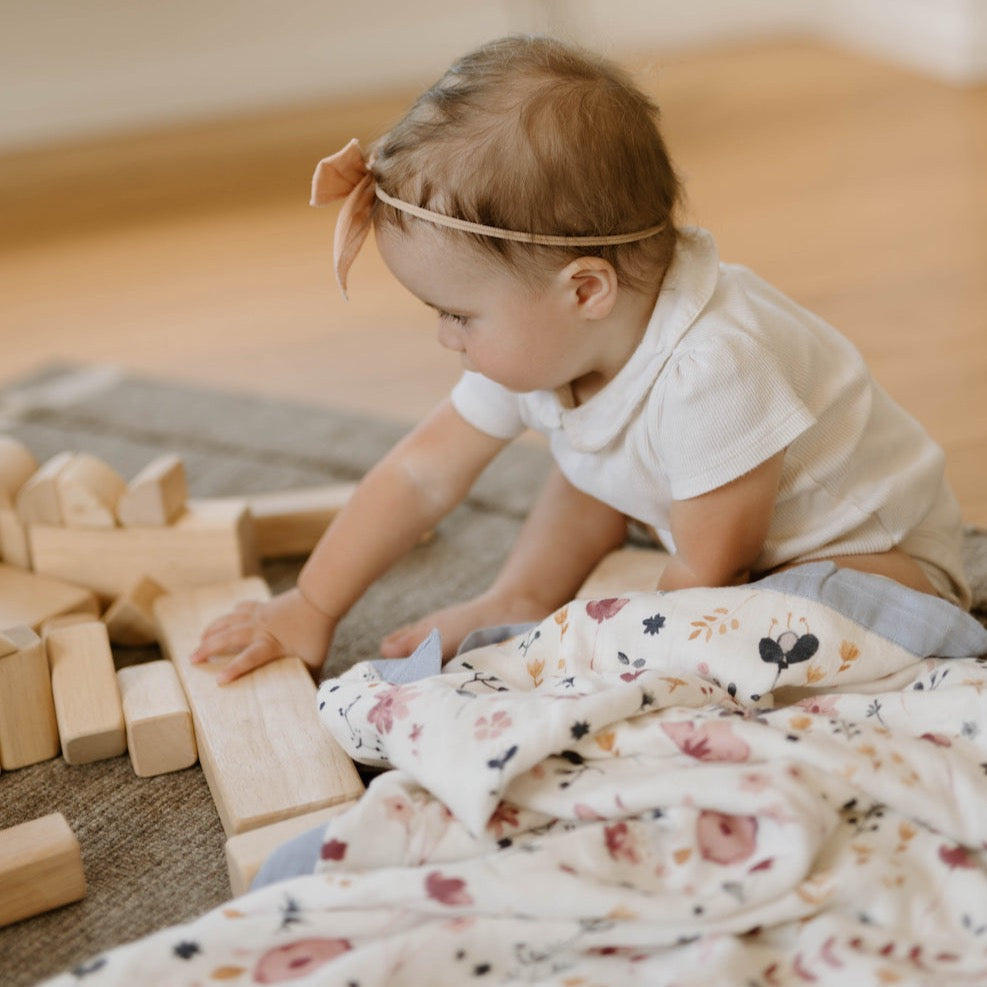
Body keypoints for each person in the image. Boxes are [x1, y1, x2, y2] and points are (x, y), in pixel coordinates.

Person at [192, 34, 970, 685]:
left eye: (458, 315)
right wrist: (312, 605)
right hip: (725, 536)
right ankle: (522, 594)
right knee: (586, 459)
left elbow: (708, 574)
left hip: (871, 565)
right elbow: (418, 474)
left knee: (727, 654)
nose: (445, 340)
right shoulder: (556, 339)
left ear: (585, 289)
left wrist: (608, 661)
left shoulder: (715, 368)